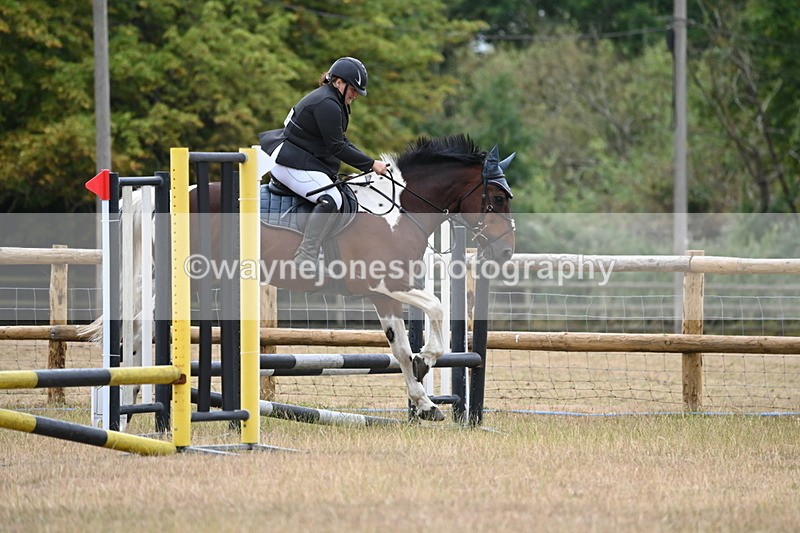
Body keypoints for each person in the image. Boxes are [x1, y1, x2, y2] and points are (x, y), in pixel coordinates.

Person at [259, 57, 388, 270]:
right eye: (353, 89)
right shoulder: (327, 103)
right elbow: (337, 147)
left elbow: (341, 141)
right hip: (288, 162)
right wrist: (370, 165)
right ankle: (306, 255)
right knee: (331, 199)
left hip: (301, 157)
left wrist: (369, 161)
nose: (355, 94)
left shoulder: (334, 101)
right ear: (338, 82)